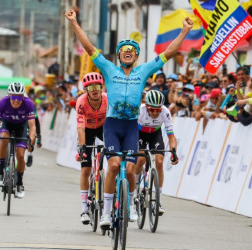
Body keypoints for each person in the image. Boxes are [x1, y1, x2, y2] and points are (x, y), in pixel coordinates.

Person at [65, 8, 193, 228]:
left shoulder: (143, 71)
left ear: (135, 56)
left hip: (132, 127)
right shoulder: (109, 69)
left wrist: (184, 31)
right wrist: (75, 22)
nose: (127, 52)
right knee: (114, 165)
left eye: (131, 51)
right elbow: (88, 47)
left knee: (132, 169)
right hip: (113, 125)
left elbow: (168, 54)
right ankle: (106, 213)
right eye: (123, 50)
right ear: (118, 55)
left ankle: (132, 205)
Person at [135, 90, 178, 215]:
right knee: (141, 159)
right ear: (147, 107)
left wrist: (173, 152)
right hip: (140, 134)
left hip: (155, 134)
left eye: (157, 110)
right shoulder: (140, 111)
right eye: (152, 109)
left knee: (159, 161)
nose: (155, 112)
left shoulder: (165, 112)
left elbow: (171, 136)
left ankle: (158, 200)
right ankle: (136, 185)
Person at [0, 82, 36, 199]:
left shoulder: (28, 104)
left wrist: (31, 142)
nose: (16, 100)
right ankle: (0, 172)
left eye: (19, 97)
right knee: (4, 138)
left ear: (23, 97)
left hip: (21, 126)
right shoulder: (2, 103)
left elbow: (32, 127)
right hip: (7, 125)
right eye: (13, 97)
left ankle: (20, 183)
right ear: (9, 96)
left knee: (20, 155)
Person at [75, 72, 108, 224]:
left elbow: (112, 123)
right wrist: (82, 148)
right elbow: (80, 128)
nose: (94, 89)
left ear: (102, 87)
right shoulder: (81, 102)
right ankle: (84, 209)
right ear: (86, 90)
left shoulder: (107, 99)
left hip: (102, 128)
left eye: (97, 86)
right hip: (87, 130)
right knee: (85, 169)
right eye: (90, 87)